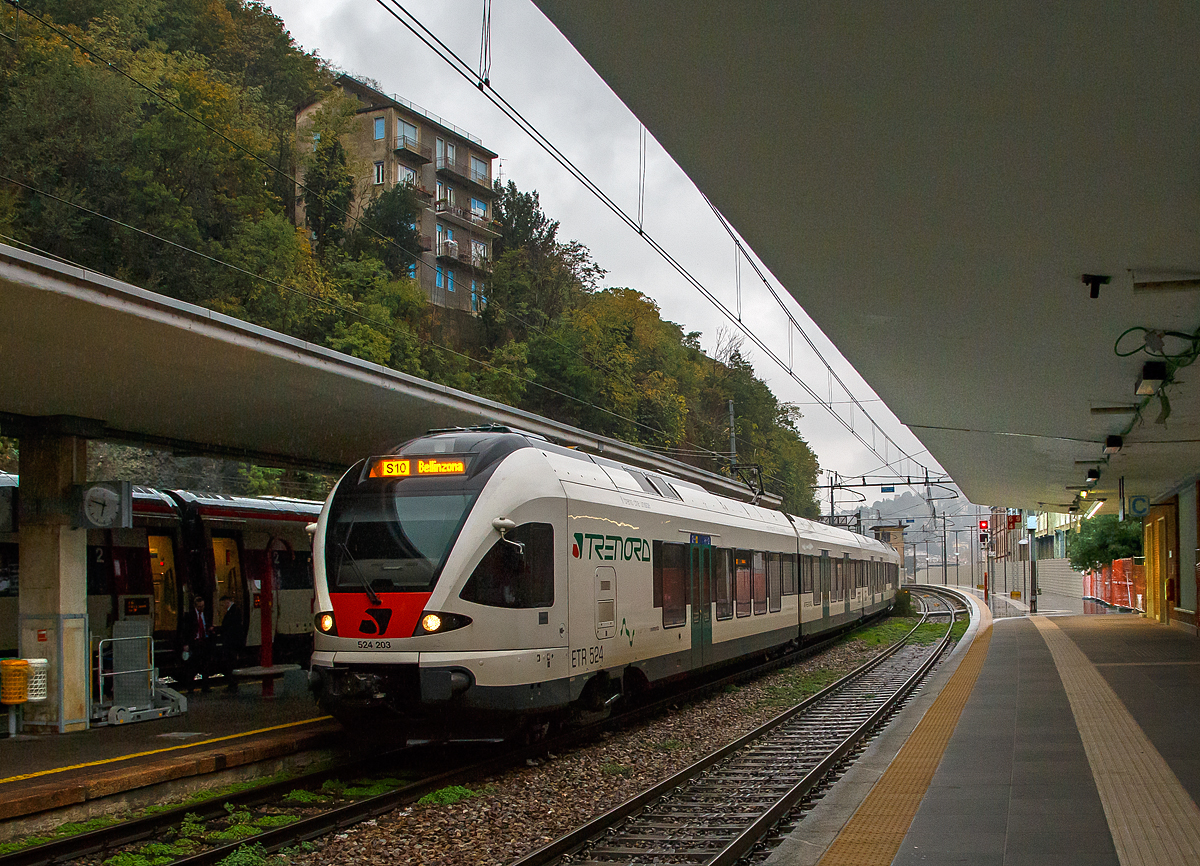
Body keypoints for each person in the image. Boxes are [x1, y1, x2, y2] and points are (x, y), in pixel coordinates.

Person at [180, 595, 214, 693]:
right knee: (192, 666)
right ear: (195, 606)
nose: (201, 608)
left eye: (202, 606)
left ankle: (205, 686)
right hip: (194, 643)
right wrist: (186, 643)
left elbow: (208, 625)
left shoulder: (206, 614)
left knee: (205, 665)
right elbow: (185, 631)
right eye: (199, 606)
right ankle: (190, 687)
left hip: (204, 642)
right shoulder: (189, 616)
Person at [218, 595, 246, 693]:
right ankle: (232, 684)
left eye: (222, 604)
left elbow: (230, 627)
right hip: (232, 643)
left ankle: (232, 685)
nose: (222, 607)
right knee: (231, 664)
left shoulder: (233, 612)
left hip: (231, 643)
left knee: (231, 664)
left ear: (227, 602)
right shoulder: (234, 611)